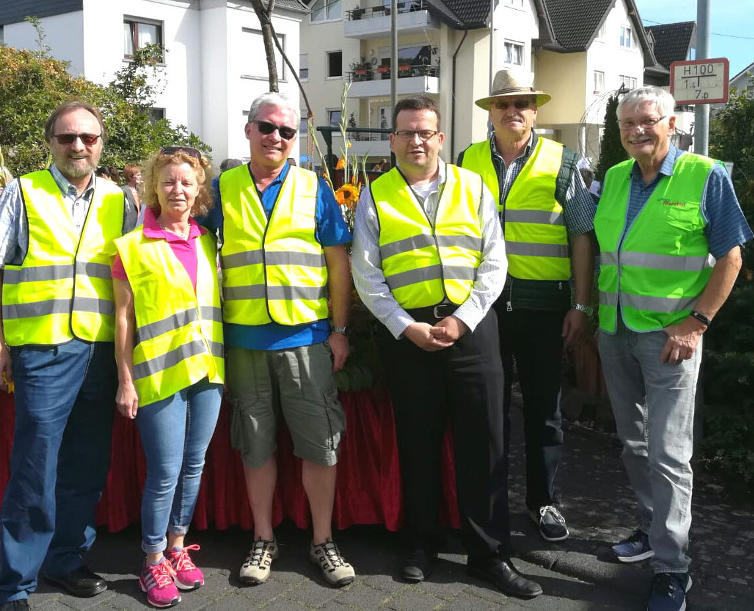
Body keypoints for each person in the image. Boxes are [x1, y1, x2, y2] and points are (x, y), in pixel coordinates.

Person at [352, 94, 542, 599]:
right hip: (409, 335)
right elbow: (367, 275)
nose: (416, 140)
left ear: (440, 138)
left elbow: (494, 262)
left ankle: (488, 555)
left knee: (486, 444)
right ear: (392, 140)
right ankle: (421, 543)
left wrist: (462, 320)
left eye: (425, 132)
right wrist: (404, 327)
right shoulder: (375, 196)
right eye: (406, 132)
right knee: (417, 442)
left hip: (472, 330)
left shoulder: (472, 186)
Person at [595, 86, 752, 611]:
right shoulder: (615, 178)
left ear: (672, 123)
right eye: (627, 124)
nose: (637, 130)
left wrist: (698, 322)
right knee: (633, 444)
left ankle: (672, 567)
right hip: (615, 329)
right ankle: (649, 531)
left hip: (670, 340)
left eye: (647, 120)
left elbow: (730, 255)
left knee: (667, 452)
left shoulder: (705, 175)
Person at [0, 100, 135, 610]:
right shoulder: (24, 192)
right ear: (51, 143)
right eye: (67, 138)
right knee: (35, 466)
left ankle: (66, 559)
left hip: (101, 351)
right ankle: (15, 585)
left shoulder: (121, 199)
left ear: (101, 144)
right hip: (43, 351)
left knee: (87, 465)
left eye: (88, 138)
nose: (78, 146)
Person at [218, 92, 355, 588]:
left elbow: (337, 261)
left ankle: (323, 541)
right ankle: (263, 538)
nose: (276, 137)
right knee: (255, 445)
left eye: (287, 131)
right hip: (245, 342)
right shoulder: (221, 188)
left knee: (320, 444)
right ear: (249, 129)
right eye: (267, 127)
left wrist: (339, 331)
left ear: (296, 139)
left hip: (306, 340)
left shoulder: (314, 186)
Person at [458, 69, 596, 542]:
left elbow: (582, 236)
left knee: (544, 410)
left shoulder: (565, 161)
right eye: (503, 103)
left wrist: (581, 304)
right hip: (484, 308)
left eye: (522, 103)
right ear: (490, 112)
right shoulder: (466, 159)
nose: (512, 111)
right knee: (489, 411)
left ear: (535, 111)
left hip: (544, 308)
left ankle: (544, 503)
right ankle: (490, 504)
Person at [113, 147, 224, 608]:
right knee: (164, 472)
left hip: (209, 371)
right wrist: (124, 378)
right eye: (168, 181)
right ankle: (152, 557)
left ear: (200, 190)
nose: (177, 189)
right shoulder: (131, 246)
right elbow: (123, 320)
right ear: (152, 187)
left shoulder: (209, 241)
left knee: (193, 466)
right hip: (159, 375)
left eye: (186, 182)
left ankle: (178, 548)